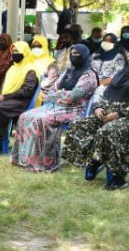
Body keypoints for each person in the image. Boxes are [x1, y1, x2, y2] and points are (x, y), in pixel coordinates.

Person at [62, 42, 129, 190]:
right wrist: (98, 107)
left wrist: (119, 114)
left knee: (108, 131)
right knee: (78, 125)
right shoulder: (125, 71)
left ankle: (118, 177)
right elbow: (106, 93)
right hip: (107, 113)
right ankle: (93, 161)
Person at [11, 44, 98, 172]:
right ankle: (22, 158)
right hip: (55, 106)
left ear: (84, 55)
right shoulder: (70, 71)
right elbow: (52, 90)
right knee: (25, 116)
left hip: (75, 109)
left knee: (43, 120)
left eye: (77, 54)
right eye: (72, 53)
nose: (74, 56)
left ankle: (44, 162)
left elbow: (74, 96)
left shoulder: (89, 75)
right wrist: (59, 94)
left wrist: (58, 94)